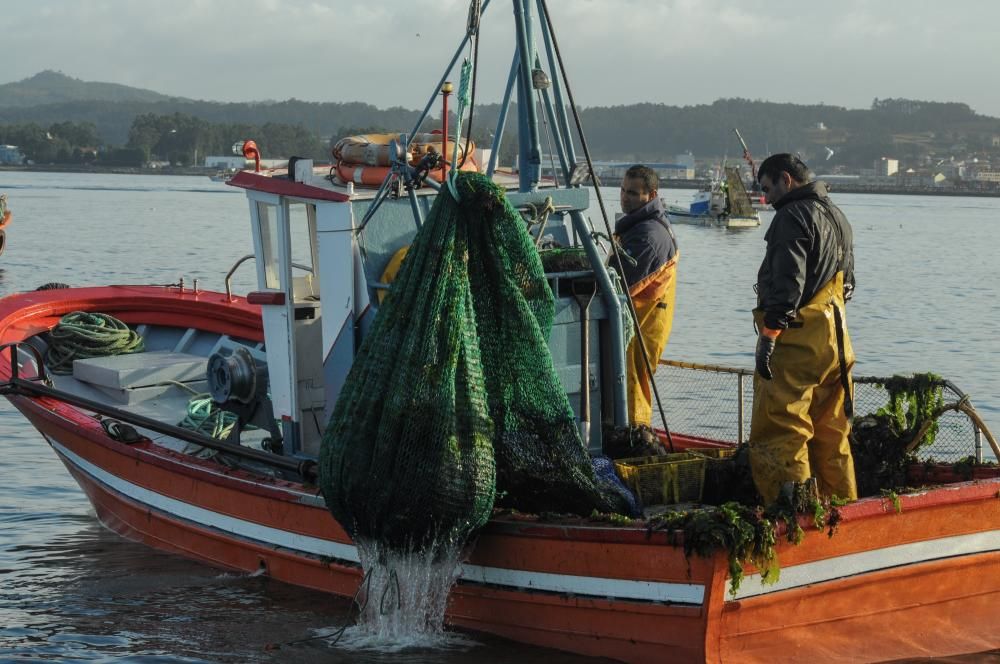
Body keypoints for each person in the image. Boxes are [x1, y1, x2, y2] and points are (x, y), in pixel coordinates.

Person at [749, 153, 858, 505]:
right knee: (832, 433)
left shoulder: (791, 216)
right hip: (837, 344)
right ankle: (842, 509)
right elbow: (849, 284)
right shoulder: (837, 215)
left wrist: (768, 337)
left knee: (782, 430)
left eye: (767, 189)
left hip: (798, 345)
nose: (766, 199)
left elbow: (787, 286)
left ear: (786, 179)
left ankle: (793, 519)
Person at [614, 165, 679, 430]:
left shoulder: (649, 237)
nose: (624, 197)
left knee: (634, 386)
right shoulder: (640, 227)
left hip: (643, 327)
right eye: (622, 190)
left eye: (632, 193)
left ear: (651, 195)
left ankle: (635, 437)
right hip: (637, 323)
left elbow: (619, 284)